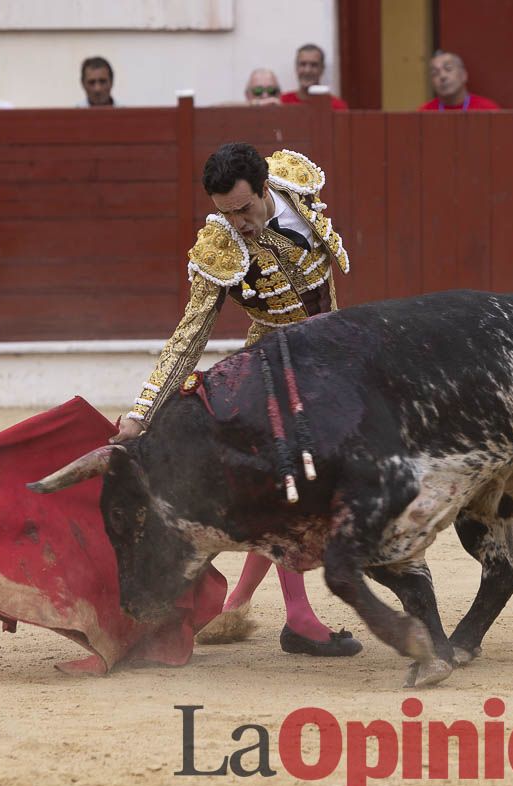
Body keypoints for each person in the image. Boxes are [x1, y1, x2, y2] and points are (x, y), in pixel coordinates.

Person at [111, 142, 360, 658]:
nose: (239, 223)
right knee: (291, 485)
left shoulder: (297, 182)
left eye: (245, 209)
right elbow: (189, 336)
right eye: (227, 213)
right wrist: (142, 413)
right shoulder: (221, 244)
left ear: (267, 189)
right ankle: (299, 618)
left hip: (332, 359)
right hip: (272, 367)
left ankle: (238, 604)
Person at [419, 50, 500, 112]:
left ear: (464, 75)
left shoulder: (487, 109)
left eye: (448, 69)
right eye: (435, 73)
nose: (442, 76)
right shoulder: (424, 112)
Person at [280, 44, 348, 110]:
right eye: (303, 64)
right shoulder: (282, 103)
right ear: (296, 67)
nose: (307, 71)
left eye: (314, 65)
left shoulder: (337, 107)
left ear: (322, 69)